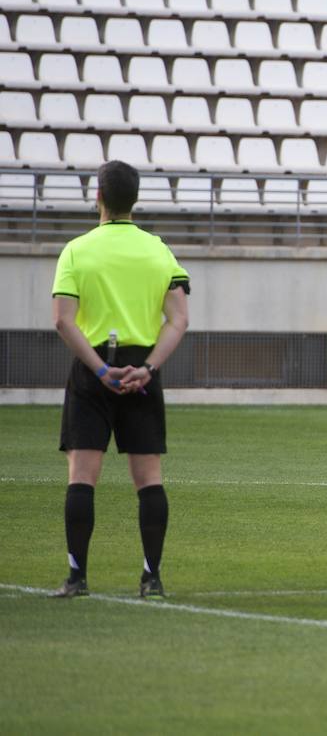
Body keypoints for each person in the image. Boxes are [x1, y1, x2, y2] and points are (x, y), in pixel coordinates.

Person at [49, 160, 190, 599]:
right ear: (136, 198)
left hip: (96, 372)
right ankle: (152, 578)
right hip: (141, 373)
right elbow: (179, 319)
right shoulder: (159, 250)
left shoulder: (77, 250)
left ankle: (77, 578)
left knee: (82, 477)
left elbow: (62, 321)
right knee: (149, 478)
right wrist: (146, 368)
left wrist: (100, 369)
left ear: (99, 197)